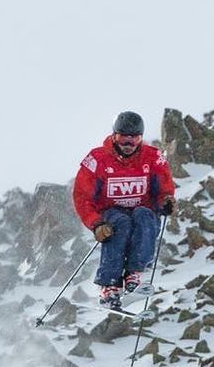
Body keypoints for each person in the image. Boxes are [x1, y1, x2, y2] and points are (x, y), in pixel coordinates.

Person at [72, 111, 176, 311]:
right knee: (120, 223)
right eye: (123, 138)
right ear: (114, 136)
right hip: (110, 212)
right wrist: (96, 223)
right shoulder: (98, 159)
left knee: (144, 216)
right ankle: (109, 284)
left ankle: (133, 274)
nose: (128, 143)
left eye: (134, 138)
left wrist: (165, 202)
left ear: (141, 138)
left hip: (142, 208)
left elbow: (163, 189)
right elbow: (82, 197)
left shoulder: (153, 157)